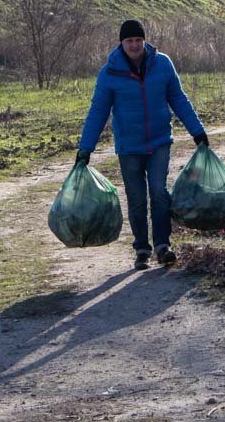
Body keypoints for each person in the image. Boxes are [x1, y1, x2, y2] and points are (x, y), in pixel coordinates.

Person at [76, 19, 208, 270]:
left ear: (144, 41)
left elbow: (179, 99)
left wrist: (198, 131)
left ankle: (162, 246)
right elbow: (98, 112)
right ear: (121, 43)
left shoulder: (163, 64)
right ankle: (142, 249)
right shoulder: (109, 73)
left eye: (138, 40)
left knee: (158, 192)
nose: (135, 45)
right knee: (136, 199)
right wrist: (86, 147)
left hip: (159, 141)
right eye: (129, 41)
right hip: (129, 146)